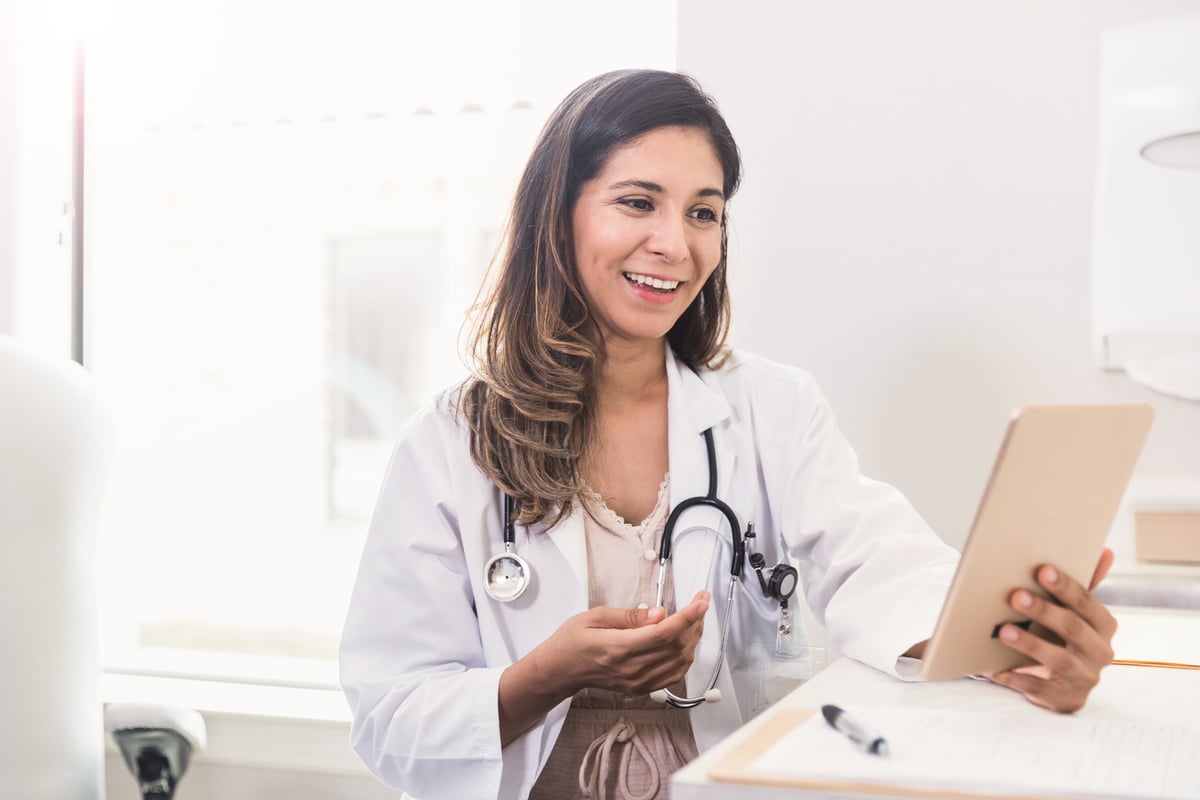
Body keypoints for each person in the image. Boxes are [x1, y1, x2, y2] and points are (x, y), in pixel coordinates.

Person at [338, 69, 1118, 800]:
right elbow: (387, 716)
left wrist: (1011, 639)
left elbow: (879, 562)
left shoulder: (770, 408)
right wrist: (546, 675)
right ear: (558, 213)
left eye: (703, 213)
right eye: (638, 202)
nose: (675, 245)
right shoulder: (446, 446)